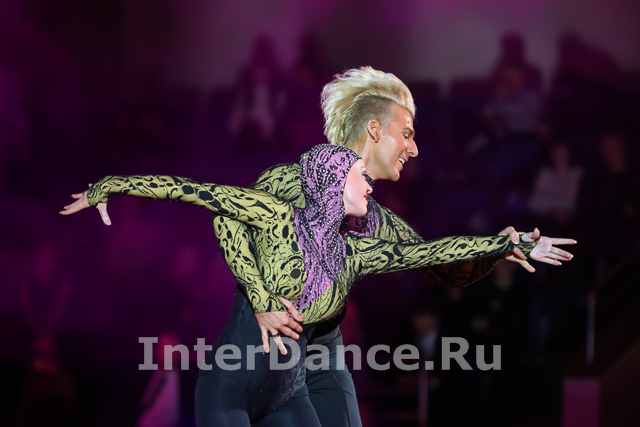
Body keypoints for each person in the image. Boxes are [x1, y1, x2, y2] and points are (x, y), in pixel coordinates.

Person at [61, 143, 574, 426]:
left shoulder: (353, 253)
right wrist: (108, 186)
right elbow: (191, 192)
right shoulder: (273, 215)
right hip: (231, 388)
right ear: (332, 180)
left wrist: (504, 244)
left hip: (288, 396)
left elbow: (428, 252)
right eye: (361, 175)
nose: (370, 184)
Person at [211, 67, 554, 427]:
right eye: (406, 134)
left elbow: (436, 263)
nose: (415, 148)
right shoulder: (291, 182)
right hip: (251, 362)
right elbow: (226, 218)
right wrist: (260, 295)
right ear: (375, 130)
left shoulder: (374, 216)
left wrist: (498, 247)